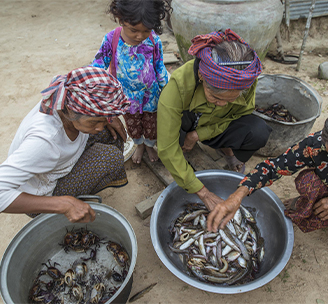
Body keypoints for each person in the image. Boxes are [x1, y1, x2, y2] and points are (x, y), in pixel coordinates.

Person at [157, 29, 272, 212]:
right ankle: (184, 161)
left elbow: (238, 114)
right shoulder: (178, 86)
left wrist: (198, 135)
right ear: (202, 78)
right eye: (215, 97)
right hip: (187, 122)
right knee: (171, 148)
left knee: (258, 131)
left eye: (230, 99)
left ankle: (227, 152)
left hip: (214, 125)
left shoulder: (245, 81)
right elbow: (166, 147)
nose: (221, 104)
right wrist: (203, 192)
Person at [0, 66, 130, 223]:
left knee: (111, 133)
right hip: (41, 195)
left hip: (55, 161)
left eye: (103, 119)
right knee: (111, 158)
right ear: (69, 111)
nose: (100, 126)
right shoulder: (44, 141)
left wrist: (107, 117)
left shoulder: (67, 94)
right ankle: (63, 207)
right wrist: (63, 204)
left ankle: (78, 195)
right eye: (95, 121)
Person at [207, 118, 328, 233]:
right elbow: (272, 168)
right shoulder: (315, 145)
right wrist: (237, 196)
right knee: (309, 182)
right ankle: (309, 200)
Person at [91, 0, 171, 164]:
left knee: (151, 126)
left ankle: (149, 145)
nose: (140, 36)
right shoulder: (111, 40)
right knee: (133, 125)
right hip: (127, 100)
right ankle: (139, 145)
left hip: (152, 97)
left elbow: (159, 67)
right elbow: (97, 67)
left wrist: (168, 91)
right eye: (134, 30)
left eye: (146, 30)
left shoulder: (154, 40)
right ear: (121, 20)